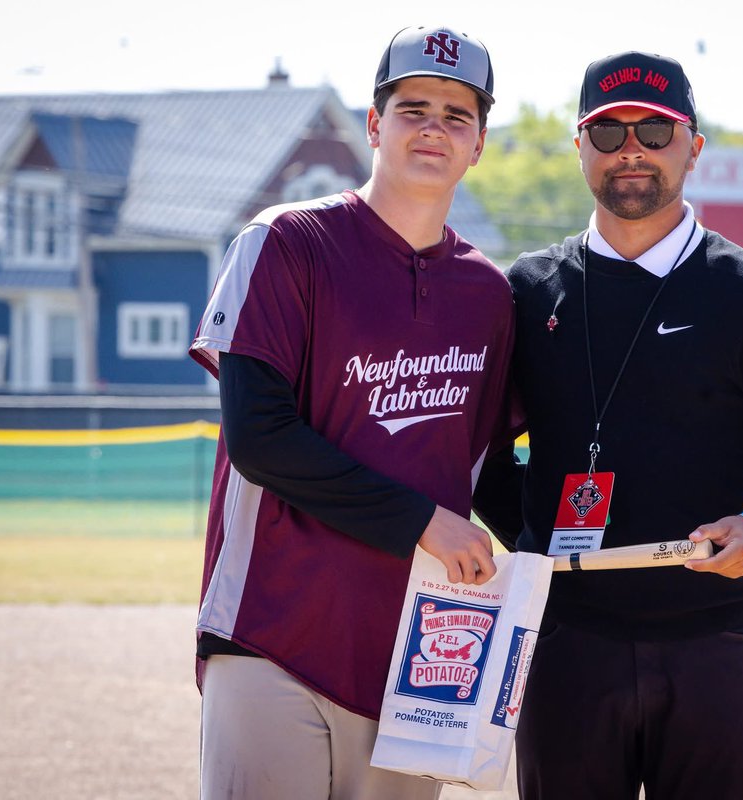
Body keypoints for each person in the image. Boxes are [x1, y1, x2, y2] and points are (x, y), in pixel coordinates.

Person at [474, 51, 743, 800]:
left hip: (714, 641)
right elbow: (479, 454)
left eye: (655, 131)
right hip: (564, 645)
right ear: (580, 148)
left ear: (693, 147)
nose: (631, 149)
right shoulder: (524, 293)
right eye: (608, 131)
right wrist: (542, 545)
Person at [188, 25, 513, 800]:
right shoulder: (286, 242)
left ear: (478, 145)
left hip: (419, 657)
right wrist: (422, 522)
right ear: (373, 124)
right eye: (413, 109)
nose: (433, 128)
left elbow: (486, 470)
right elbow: (261, 439)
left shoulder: (489, 296)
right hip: (272, 632)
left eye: (457, 115)